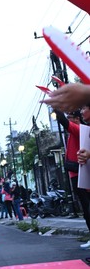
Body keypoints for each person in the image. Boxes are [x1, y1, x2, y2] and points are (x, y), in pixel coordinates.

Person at [56, 106, 90, 248]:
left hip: (81, 173)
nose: (69, 120)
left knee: (87, 207)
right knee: (86, 207)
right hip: (76, 173)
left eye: (70, 117)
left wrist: (56, 106)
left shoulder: (79, 129)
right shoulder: (75, 133)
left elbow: (63, 121)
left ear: (76, 119)